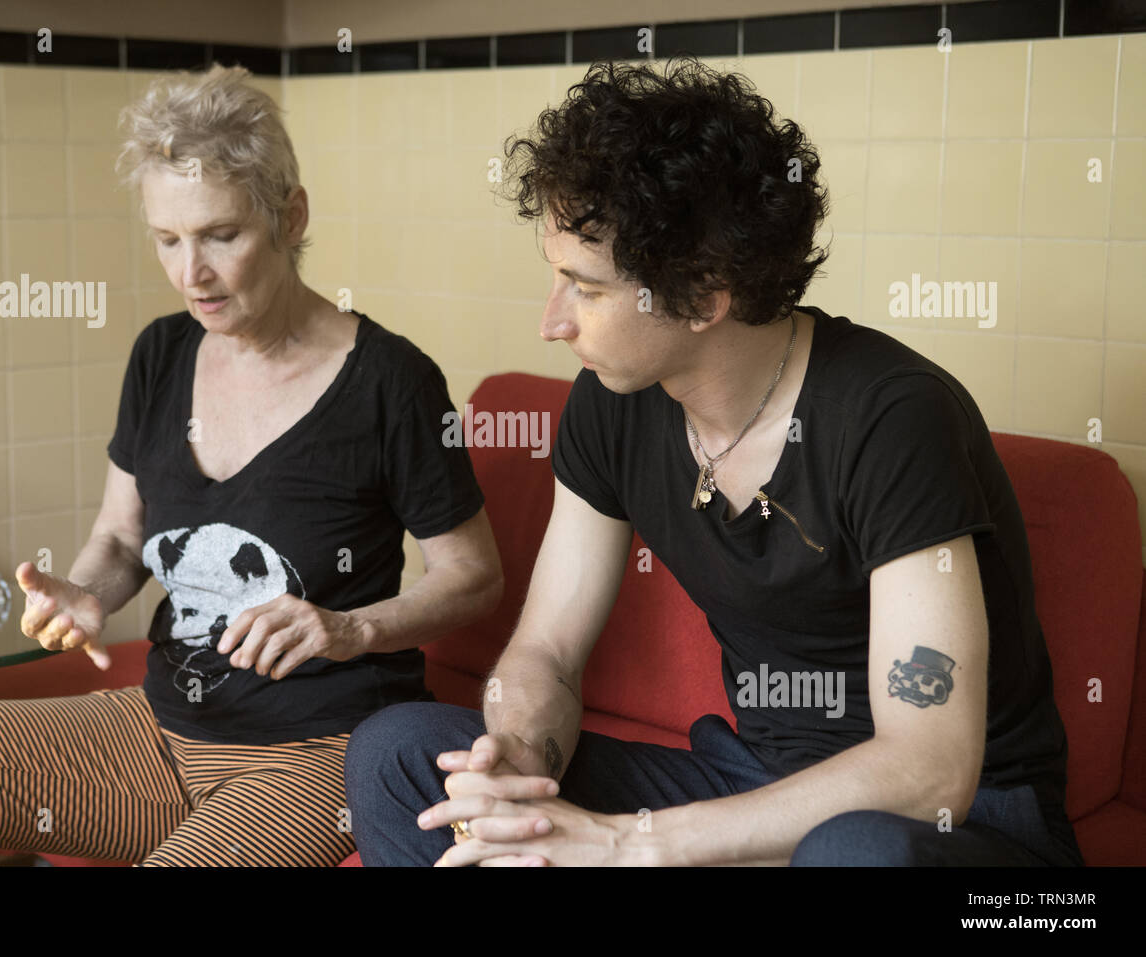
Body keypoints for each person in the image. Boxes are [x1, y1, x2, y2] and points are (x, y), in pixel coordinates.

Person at [343, 58, 1083, 867]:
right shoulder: (613, 398)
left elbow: (930, 768)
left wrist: (635, 842)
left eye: (583, 288)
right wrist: (518, 763)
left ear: (701, 295)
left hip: (963, 829)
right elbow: (547, 651)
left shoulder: (893, 416)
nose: (551, 322)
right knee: (400, 752)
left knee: (856, 854)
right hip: (749, 784)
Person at [0, 64, 502, 867]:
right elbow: (122, 541)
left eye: (222, 234)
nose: (191, 273)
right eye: (167, 239)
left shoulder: (392, 381)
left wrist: (350, 627)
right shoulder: (161, 353)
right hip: (159, 730)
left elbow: (474, 575)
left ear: (290, 216)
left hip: (313, 747)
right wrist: (86, 593)